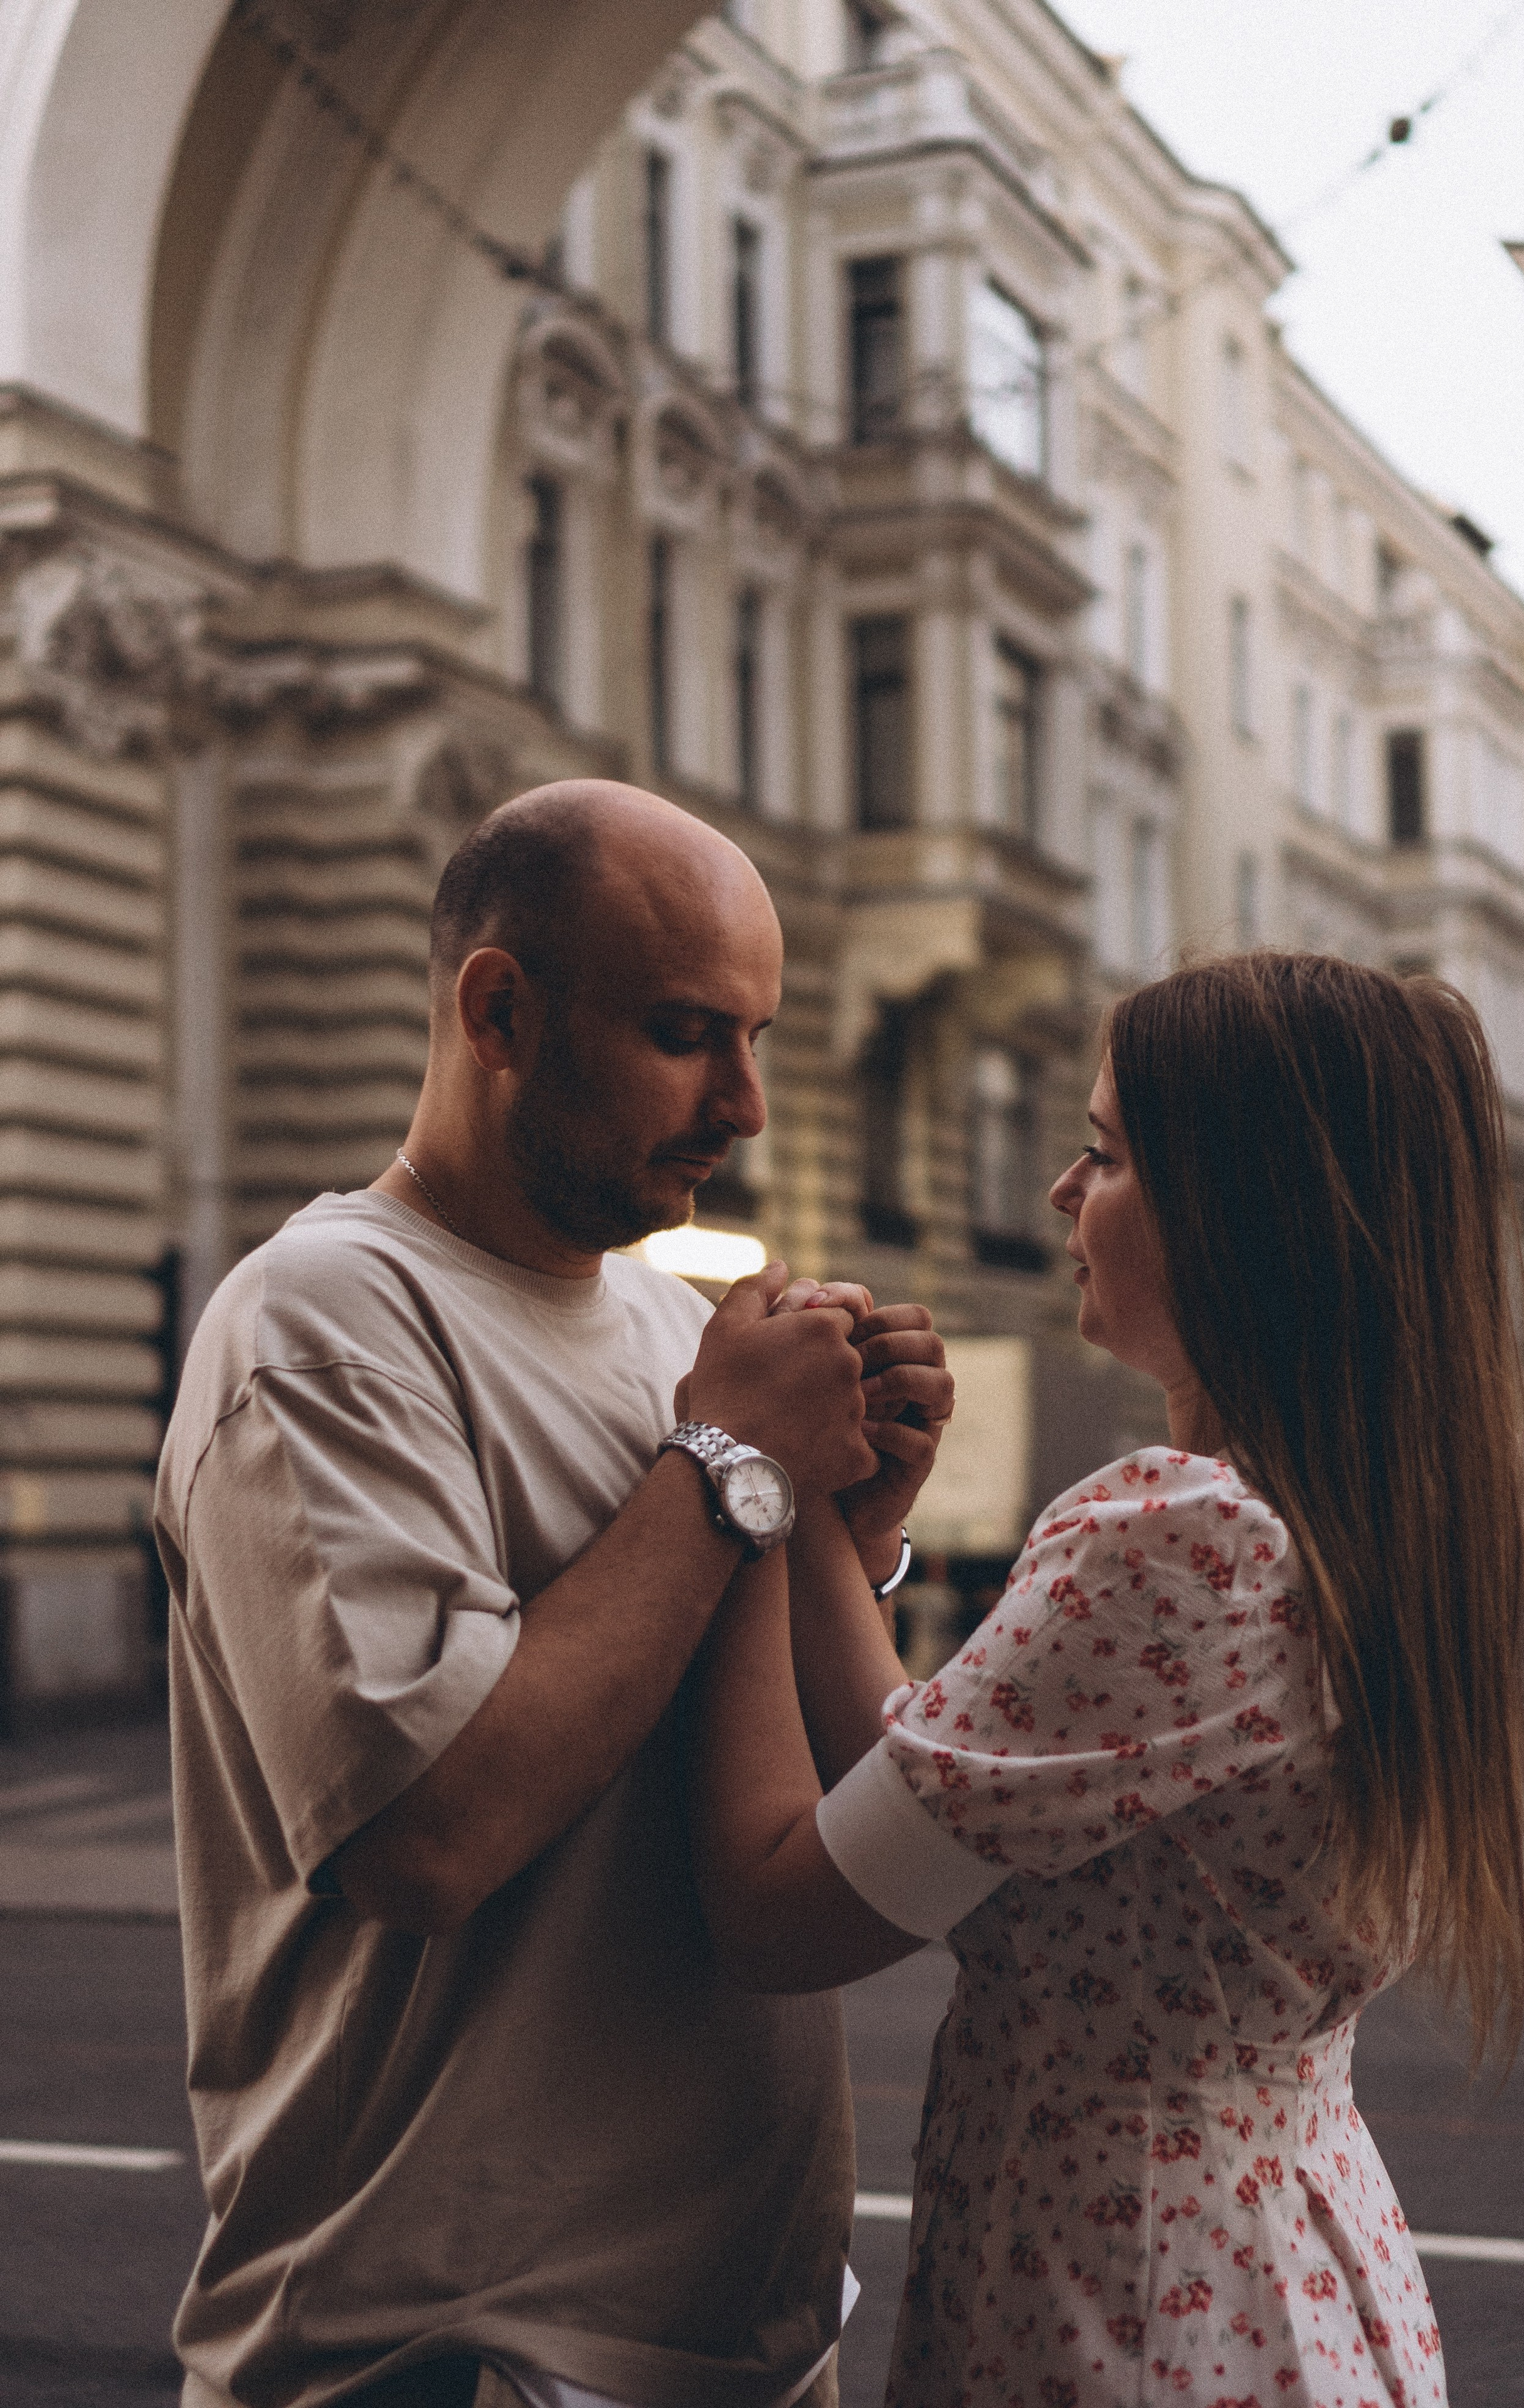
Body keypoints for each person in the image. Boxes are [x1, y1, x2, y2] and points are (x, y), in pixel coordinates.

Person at [155, 781, 953, 2408]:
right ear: (498, 1009)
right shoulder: (321, 1319)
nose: (743, 1103)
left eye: (759, 1037)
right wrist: (732, 1465)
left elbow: (804, 1813)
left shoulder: (679, 1337)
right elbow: (427, 1836)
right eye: (684, 1032)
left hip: (743, 2340)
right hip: (452, 2355)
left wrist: (850, 1535)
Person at [692, 953, 1524, 2408]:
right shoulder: (1350, 1524)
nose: (1061, 1196)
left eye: (1106, 1153)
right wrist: (829, 1522)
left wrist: (732, 1470)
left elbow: (777, 1910)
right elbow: (925, 1795)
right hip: (1287, 2284)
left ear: (1249, 1207)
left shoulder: (1176, 1536)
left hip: (1130, 2305)